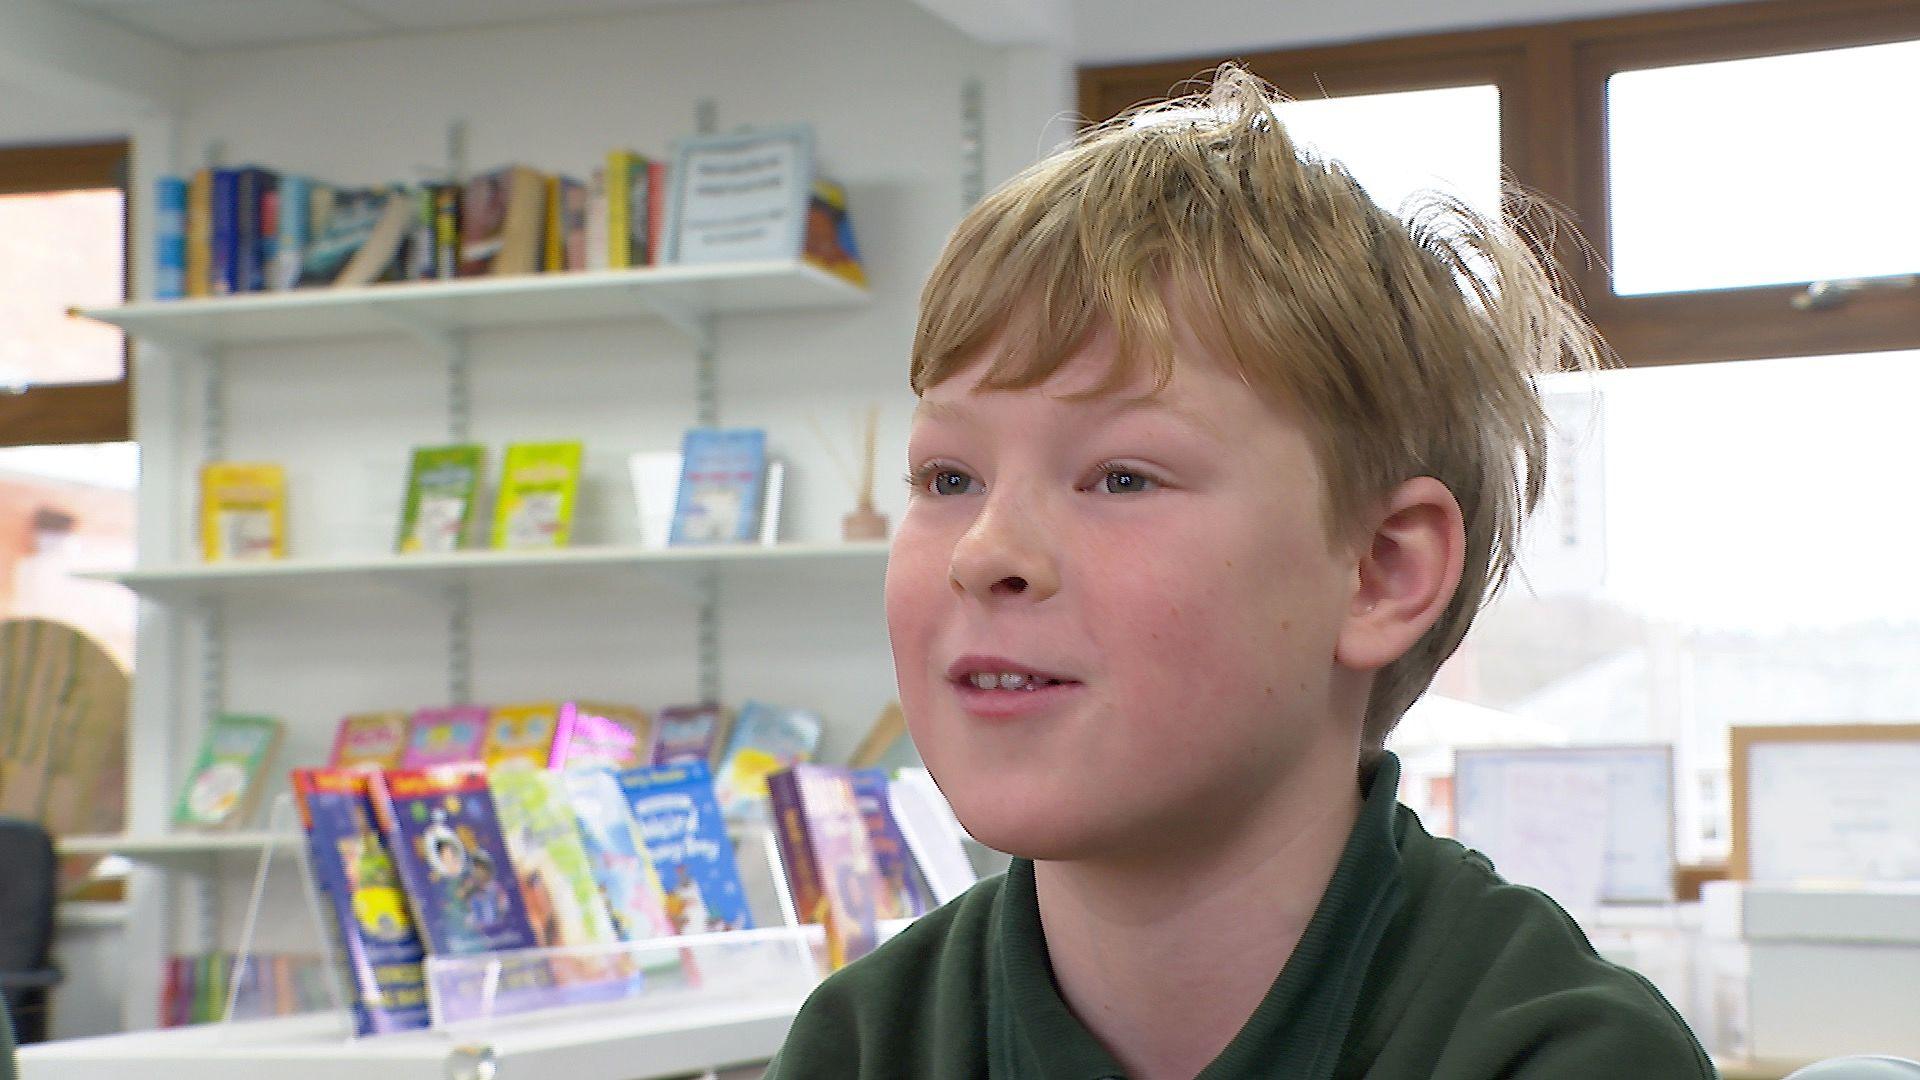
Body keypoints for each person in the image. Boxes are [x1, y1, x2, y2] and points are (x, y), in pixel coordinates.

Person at [764, 64, 1715, 1079]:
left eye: (1121, 477)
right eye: (947, 476)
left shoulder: (1560, 1056)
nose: (984, 551)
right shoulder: (860, 1045)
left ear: (1380, 573)